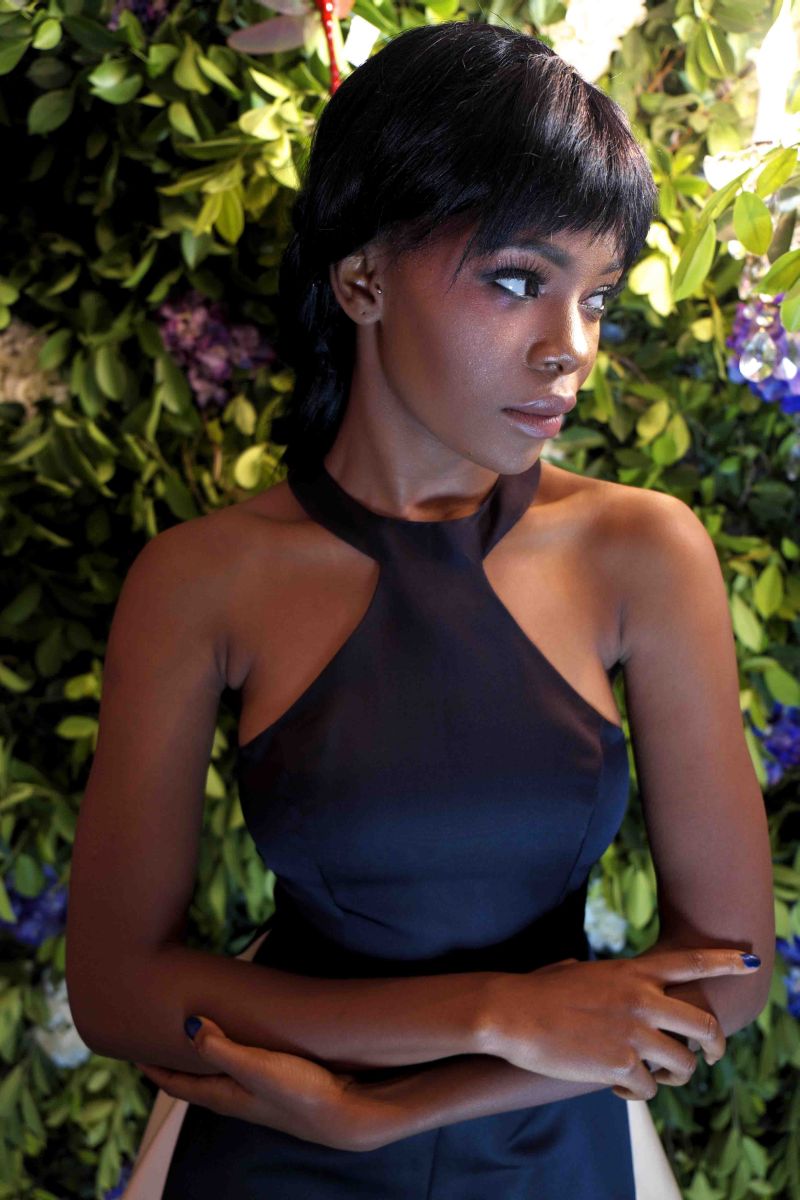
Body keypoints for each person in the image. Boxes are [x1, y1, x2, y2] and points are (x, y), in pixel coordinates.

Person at [65, 20, 775, 1199]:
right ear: (361, 281)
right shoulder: (202, 580)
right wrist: (495, 1012)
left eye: (597, 297)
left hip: (545, 1144)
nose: (570, 350)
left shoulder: (640, 553)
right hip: (268, 1143)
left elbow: (729, 973)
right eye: (518, 281)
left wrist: (387, 1111)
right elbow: (116, 989)